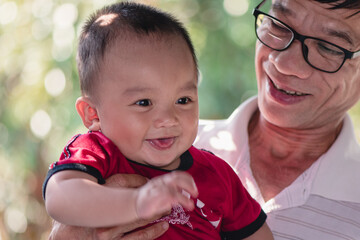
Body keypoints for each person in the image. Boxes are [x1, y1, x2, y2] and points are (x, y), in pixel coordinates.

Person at [48, 0, 360, 239]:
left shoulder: (216, 174)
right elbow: (61, 195)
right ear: (93, 114)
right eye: (279, 25)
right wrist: (130, 206)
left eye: (328, 47)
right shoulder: (98, 151)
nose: (284, 62)